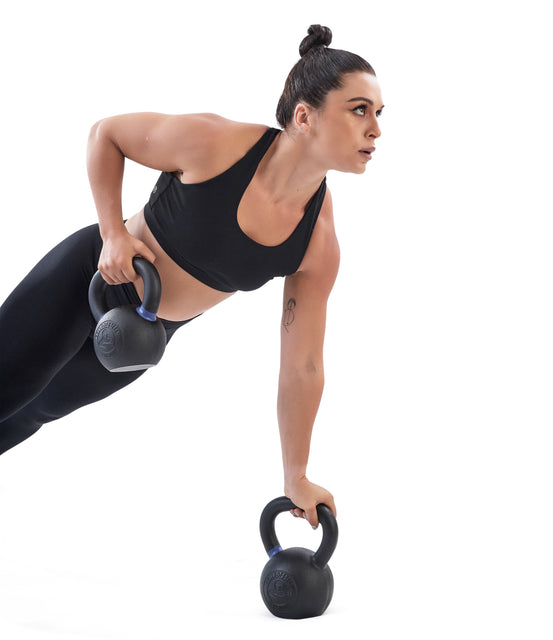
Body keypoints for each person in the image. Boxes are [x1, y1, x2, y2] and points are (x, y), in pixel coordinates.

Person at [0, 25, 383, 529]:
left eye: (378, 114)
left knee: (31, 416)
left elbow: (303, 366)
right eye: (360, 110)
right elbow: (107, 135)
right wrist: (113, 234)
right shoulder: (217, 144)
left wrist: (296, 474)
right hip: (83, 282)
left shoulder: (317, 241)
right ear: (305, 116)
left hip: (140, 339)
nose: (375, 129)